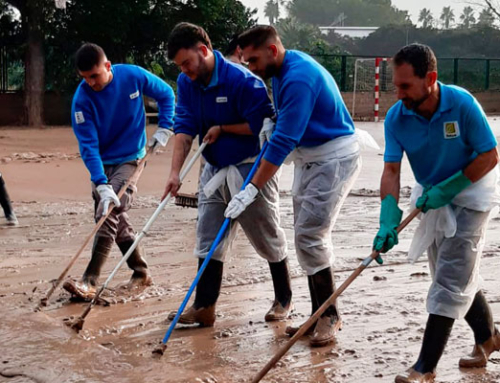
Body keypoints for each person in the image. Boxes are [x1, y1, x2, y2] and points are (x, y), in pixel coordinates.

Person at [372, 43, 500, 383]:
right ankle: (489, 337)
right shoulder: (398, 117)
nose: (396, 94)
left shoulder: (462, 104)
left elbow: (490, 155)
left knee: (449, 278)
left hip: (473, 190)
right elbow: (391, 170)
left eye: (404, 86)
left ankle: (424, 368)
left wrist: (451, 188)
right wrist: (388, 215)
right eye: (394, 85)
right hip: (430, 192)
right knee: (451, 273)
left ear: (430, 77)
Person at [231, 25, 361, 347]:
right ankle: (318, 316)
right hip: (310, 156)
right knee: (305, 234)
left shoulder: (298, 76)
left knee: (310, 235)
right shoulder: (279, 70)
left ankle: (329, 316)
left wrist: (251, 188)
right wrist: (272, 121)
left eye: (253, 60)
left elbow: (283, 143)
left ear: (272, 51)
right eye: (246, 61)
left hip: (333, 157)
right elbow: (284, 124)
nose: (250, 67)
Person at [163, 22, 292, 327]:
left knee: (266, 233)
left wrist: (223, 128)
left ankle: (283, 297)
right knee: (208, 236)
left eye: (186, 63)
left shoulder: (244, 82)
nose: (184, 71)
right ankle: (205, 306)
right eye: (179, 66)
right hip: (214, 167)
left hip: (251, 166)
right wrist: (174, 172)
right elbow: (184, 128)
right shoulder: (187, 82)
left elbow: (263, 127)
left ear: (203, 51)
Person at [63, 43, 175, 300]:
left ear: (107, 66)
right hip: (101, 162)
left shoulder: (132, 75)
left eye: (95, 76)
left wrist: (165, 127)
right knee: (115, 216)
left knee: (110, 210)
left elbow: (167, 94)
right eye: (85, 78)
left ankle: (89, 281)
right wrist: (100, 183)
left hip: (131, 158)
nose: (91, 83)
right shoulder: (82, 100)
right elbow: (88, 146)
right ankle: (141, 271)